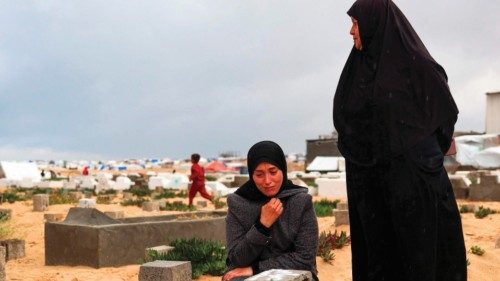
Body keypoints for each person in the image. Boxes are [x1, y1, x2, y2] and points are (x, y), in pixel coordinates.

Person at [332, 1, 466, 280]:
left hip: (415, 192)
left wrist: (418, 158)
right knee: (381, 263)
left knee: (419, 263)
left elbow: (443, 115)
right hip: (371, 192)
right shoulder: (357, 70)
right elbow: (348, 122)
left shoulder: (418, 68)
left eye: (355, 23)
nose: (351, 31)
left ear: (374, 23)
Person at [223, 141, 318, 281]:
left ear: (283, 170)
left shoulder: (301, 202)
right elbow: (237, 259)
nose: (267, 181)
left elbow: (305, 258)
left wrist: (255, 269)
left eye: (273, 172)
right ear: (251, 174)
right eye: (259, 174)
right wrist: (261, 227)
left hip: (293, 273)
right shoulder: (238, 204)